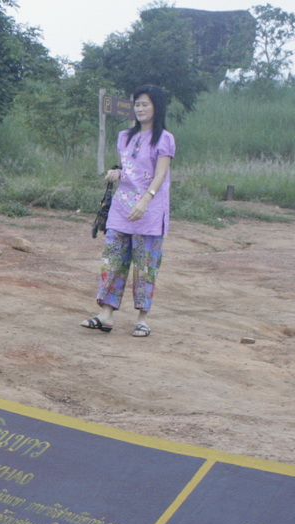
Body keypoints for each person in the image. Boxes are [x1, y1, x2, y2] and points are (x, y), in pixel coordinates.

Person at [80, 84, 175, 338]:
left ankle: (142, 319)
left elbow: (160, 174)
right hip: (121, 209)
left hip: (149, 212)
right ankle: (106, 314)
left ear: (156, 107)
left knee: (145, 267)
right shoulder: (124, 136)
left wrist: (145, 201)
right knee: (112, 261)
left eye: (145, 104)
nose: (140, 109)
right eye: (137, 104)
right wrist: (117, 172)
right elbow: (131, 169)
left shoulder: (164, 138)